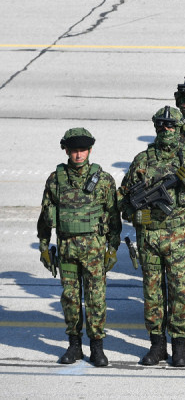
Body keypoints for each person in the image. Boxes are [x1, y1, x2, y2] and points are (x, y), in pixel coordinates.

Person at [120, 107, 185, 367]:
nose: (167, 131)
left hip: (179, 236)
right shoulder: (142, 161)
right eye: (163, 126)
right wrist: (135, 216)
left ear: (179, 129)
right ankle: (157, 345)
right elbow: (124, 200)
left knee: (181, 292)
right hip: (150, 238)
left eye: (171, 127)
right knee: (153, 294)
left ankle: (180, 346)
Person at [37, 128, 121, 367]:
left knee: (96, 300)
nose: (78, 155)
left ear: (90, 150)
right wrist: (44, 246)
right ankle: (74, 346)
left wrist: (112, 248)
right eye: (74, 150)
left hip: (94, 251)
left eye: (82, 150)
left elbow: (114, 219)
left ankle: (97, 348)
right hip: (67, 251)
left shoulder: (103, 180)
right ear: (66, 150)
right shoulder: (56, 180)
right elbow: (45, 217)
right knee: (71, 299)